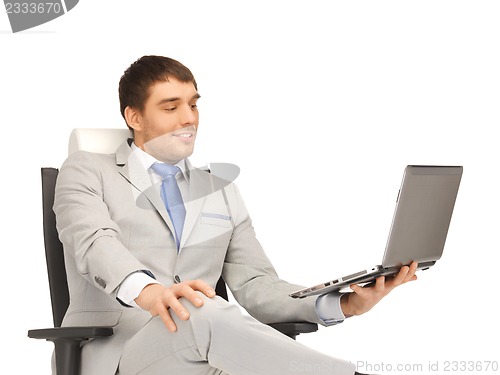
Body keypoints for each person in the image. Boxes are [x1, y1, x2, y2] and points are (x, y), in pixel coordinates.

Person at [54, 55, 418, 375]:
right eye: (170, 107)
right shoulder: (87, 168)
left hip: (211, 351)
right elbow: (94, 242)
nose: (188, 119)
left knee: (213, 319)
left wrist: (342, 302)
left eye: (193, 105)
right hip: (122, 351)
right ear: (134, 116)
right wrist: (150, 292)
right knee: (200, 309)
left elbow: (255, 284)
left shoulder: (220, 189)